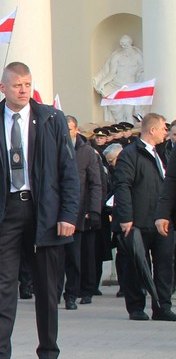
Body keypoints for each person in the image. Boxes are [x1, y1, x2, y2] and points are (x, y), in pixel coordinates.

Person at [0, 62, 79, 359]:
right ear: (2, 88)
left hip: (44, 212)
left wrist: (68, 215)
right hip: (5, 213)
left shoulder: (51, 119)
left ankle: (48, 355)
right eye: (17, 85)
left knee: (46, 286)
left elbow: (67, 172)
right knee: (2, 290)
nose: (23, 90)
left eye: (27, 84)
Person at [113, 113, 175, 321]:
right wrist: (125, 217)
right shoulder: (130, 154)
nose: (166, 132)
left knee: (165, 264)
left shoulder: (163, 153)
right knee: (137, 265)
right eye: (163, 128)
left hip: (161, 221)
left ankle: (162, 307)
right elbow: (122, 186)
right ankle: (136, 307)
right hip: (138, 221)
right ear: (152, 130)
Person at [64, 117, 104, 309]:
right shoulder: (54, 147)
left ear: (76, 130)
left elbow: (96, 183)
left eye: (69, 128)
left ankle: (79, 291)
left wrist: (94, 210)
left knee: (80, 256)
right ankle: (58, 292)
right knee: (59, 257)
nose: (65, 132)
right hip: (59, 212)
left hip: (81, 212)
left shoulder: (87, 152)